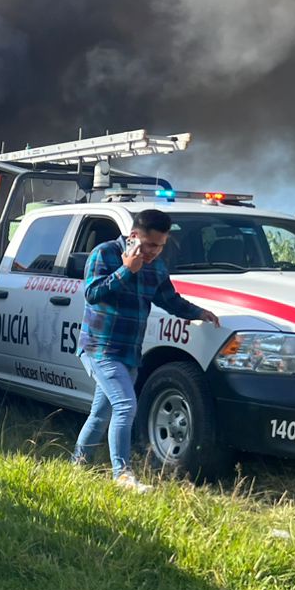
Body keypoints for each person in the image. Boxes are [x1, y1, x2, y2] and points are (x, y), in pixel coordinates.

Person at [74, 208, 220, 491]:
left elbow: (170, 300)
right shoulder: (104, 254)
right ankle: (123, 475)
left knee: (101, 413)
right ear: (134, 236)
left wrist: (200, 312)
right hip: (99, 347)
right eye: (151, 244)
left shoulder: (156, 266)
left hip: (129, 351)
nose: (155, 251)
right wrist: (126, 271)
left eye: (161, 245)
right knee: (126, 405)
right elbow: (92, 293)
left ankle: (78, 466)